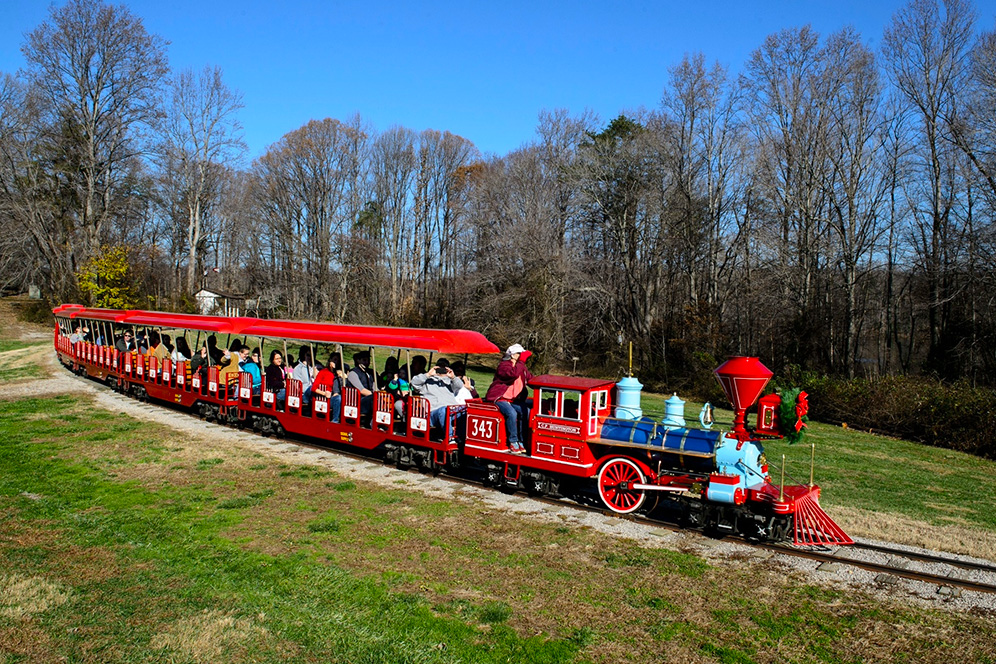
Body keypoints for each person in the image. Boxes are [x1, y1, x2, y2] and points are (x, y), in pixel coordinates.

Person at [484, 344, 534, 454]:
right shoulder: (504, 366)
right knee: (512, 413)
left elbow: (531, 379)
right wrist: (522, 362)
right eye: (520, 354)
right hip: (500, 398)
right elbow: (512, 374)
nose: (521, 357)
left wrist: (545, 384)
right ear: (513, 355)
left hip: (514, 400)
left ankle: (522, 440)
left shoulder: (522, 367)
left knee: (527, 412)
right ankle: (513, 441)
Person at [410, 362, 464, 431]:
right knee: (444, 410)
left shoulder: (450, 382)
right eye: (440, 366)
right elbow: (414, 382)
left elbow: (459, 386)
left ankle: (464, 436)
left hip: (452, 410)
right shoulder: (426, 381)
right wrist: (428, 374)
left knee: (467, 408)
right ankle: (449, 437)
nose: (442, 369)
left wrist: (453, 377)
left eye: (444, 367)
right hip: (434, 412)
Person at [312, 353, 347, 423]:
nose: (335, 362)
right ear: (330, 360)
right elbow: (313, 388)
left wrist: (344, 378)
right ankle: (335, 420)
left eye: (338, 361)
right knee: (338, 399)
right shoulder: (323, 372)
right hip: (325, 398)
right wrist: (324, 393)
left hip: (337, 396)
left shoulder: (340, 374)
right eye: (334, 360)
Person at [347, 350, 376, 417]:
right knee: (375, 399)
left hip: (370, 398)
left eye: (368, 360)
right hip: (358, 401)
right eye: (364, 360)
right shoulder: (353, 373)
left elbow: (375, 386)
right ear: (358, 360)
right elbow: (362, 390)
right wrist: (376, 396)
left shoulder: (371, 372)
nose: (367, 362)